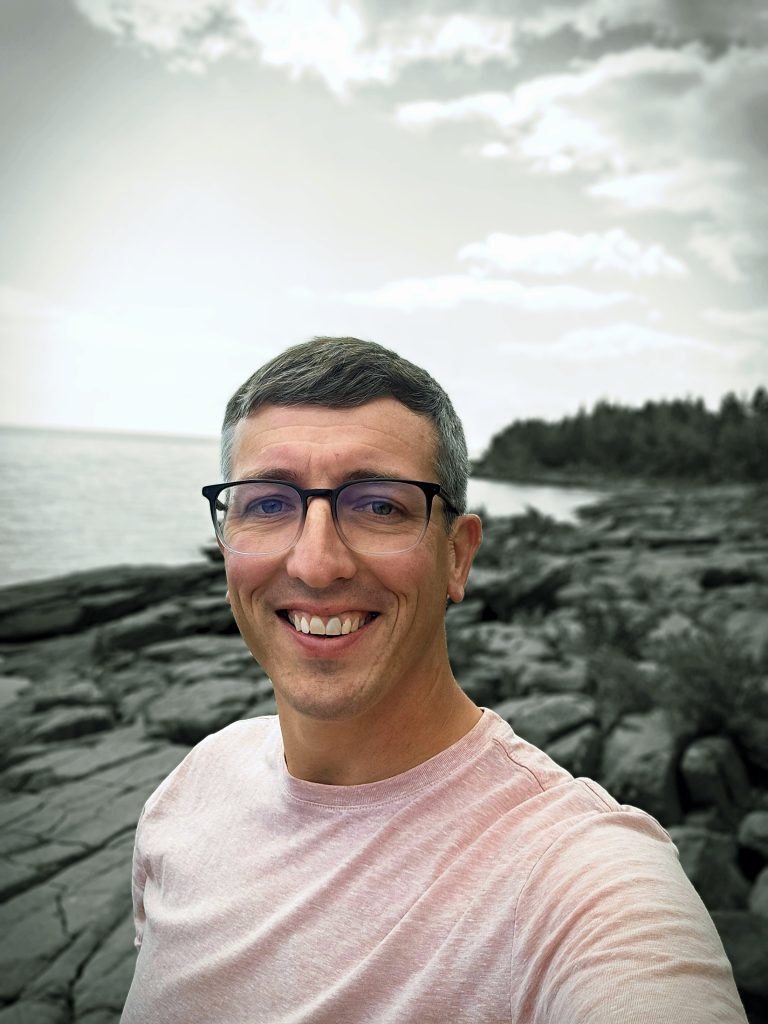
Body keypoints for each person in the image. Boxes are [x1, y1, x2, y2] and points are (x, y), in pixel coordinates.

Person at [121, 337, 746, 1023]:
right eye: (268, 504)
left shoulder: (580, 880)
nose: (316, 563)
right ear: (225, 539)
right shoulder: (190, 791)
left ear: (458, 555)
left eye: (380, 505)